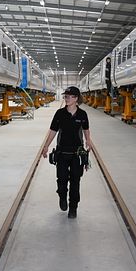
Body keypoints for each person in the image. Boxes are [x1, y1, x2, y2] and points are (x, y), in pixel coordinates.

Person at [41, 86, 92, 219]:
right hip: (62, 153)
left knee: (75, 181)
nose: (66, 98)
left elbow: (86, 129)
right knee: (62, 180)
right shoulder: (59, 114)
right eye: (65, 96)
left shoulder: (82, 114)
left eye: (69, 96)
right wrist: (46, 146)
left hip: (77, 153)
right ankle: (62, 197)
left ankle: (73, 208)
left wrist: (88, 141)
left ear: (76, 98)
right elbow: (53, 131)